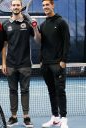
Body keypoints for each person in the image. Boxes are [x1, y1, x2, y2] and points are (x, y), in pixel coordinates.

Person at [1, 0, 40, 127]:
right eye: (14, 5)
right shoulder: (6, 24)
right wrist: (4, 63)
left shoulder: (28, 23)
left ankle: (26, 117)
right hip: (11, 64)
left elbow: (38, 40)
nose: (16, 7)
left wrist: (35, 27)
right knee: (12, 90)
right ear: (10, 7)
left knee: (25, 90)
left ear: (21, 7)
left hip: (25, 64)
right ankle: (13, 117)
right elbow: (4, 45)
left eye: (18, 5)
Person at [39, 0, 70, 128]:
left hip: (58, 63)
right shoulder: (43, 24)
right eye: (43, 5)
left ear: (53, 5)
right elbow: (42, 44)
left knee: (60, 91)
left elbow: (66, 42)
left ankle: (64, 118)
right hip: (46, 64)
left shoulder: (61, 22)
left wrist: (63, 61)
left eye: (47, 4)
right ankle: (55, 117)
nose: (45, 7)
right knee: (51, 91)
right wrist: (41, 61)